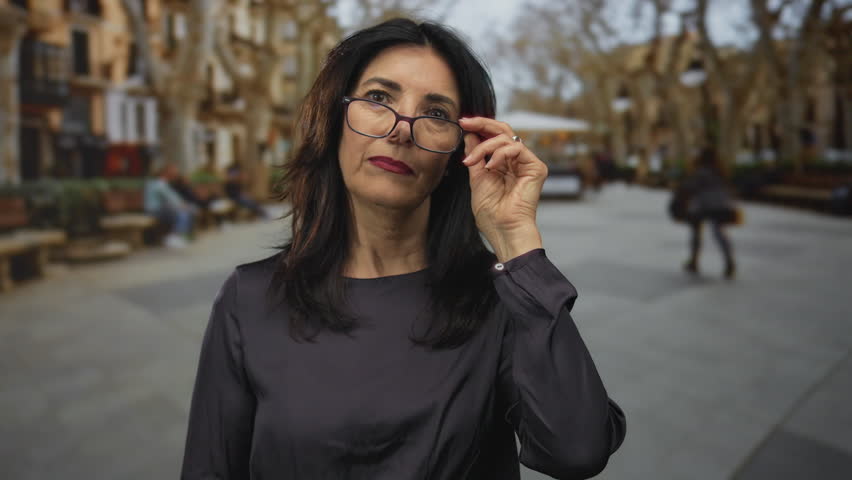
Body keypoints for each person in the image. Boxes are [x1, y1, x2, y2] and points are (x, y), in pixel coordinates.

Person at [181, 18, 626, 480]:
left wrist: (516, 241)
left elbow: (578, 450)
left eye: (435, 114)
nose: (400, 129)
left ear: (461, 152)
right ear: (335, 122)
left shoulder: (501, 301)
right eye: (378, 98)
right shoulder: (248, 298)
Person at [679, 147, 737, 278]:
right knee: (719, 232)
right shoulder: (720, 171)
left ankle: (694, 260)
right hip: (721, 205)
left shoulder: (701, 171)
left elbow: (690, 187)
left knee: (696, 231)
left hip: (703, 206)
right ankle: (729, 261)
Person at [143, 164, 197, 249]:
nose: (175, 176)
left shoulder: (159, 183)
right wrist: (182, 205)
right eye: (173, 174)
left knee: (189, 210)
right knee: (184, 212)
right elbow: (170, 197)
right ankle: (175, 236)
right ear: (166, 174)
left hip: (160, 209)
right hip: (155, 210)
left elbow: (173, 198)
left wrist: (182, 205)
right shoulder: (159, 183)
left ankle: (183, 235)